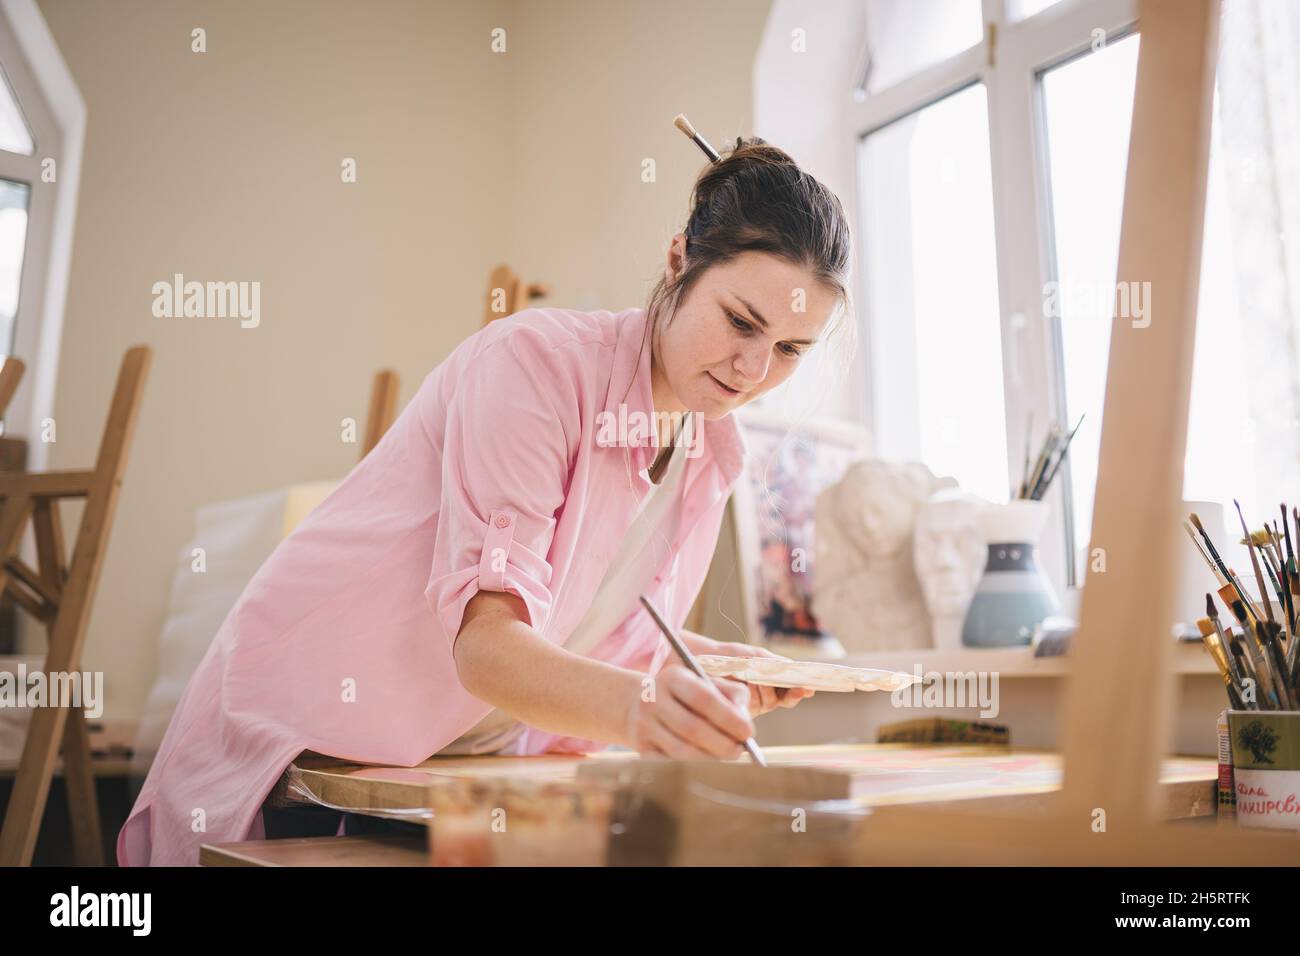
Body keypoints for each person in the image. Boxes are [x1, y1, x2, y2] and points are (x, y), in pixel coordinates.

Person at [117, 136, 854, 865]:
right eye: (741, 322)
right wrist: (645, 707)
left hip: (447, 763)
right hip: (305, 740)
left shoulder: (713, 452)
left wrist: (693, 673)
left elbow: (586, 643)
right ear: (676, 263)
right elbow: (489, 646)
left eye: (791, 349)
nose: (754, 369)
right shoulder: (532, 366)